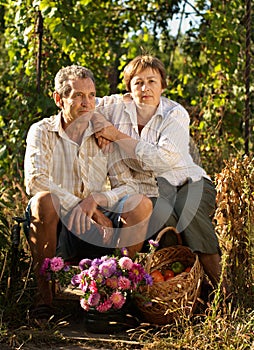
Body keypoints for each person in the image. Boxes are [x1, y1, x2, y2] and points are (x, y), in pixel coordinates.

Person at [92, 54, 228, 295]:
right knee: (163, 218)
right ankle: (178, 291)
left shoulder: (174, 114)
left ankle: (221, 291)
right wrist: (100, 122)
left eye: (152, 81)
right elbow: (85, 104)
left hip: (187, 182)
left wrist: (115, 135)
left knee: (190, 209)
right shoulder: (116, 108)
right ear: (129, 88)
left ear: (163, 85)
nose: (145, 88)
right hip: (148, 189)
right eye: (138, 82)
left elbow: (163, 160)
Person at [24, 65, 153, 319]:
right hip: (58, 226)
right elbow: (36, 180)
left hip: (97, 229)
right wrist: (82, 207)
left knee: (140, 204)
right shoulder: (42, 131)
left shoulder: (101, 135)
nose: (87, 103)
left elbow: (128, 185)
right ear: (59, 99)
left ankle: (119, 293)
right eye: (78, 96)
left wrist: (97, 200)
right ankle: (44, 298)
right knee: (43, 201)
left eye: (91, 95)